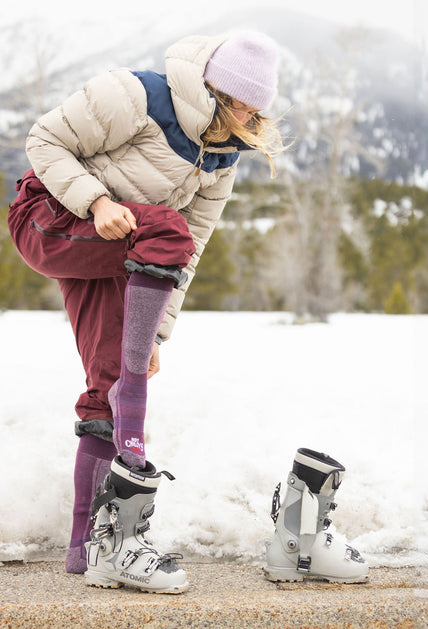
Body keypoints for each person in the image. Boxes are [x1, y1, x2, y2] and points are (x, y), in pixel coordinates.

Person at [6, 30, 283, 592]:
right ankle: (134, 440)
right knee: (165, 224)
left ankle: (93, 548)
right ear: (216, 92)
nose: (254, 119)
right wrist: (97, 200)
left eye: (261, 109)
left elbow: (192, 246)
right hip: (48, 216)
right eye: (245, 106)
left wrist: (155, 335)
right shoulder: (135, 95)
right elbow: (43, 140)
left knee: (106, 379)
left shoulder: (223, 155)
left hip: (118, 250)